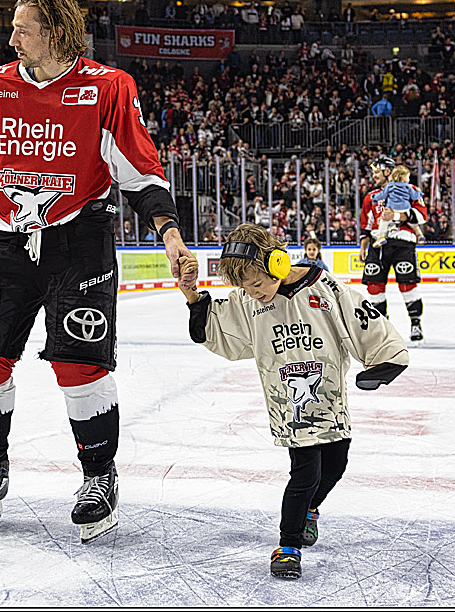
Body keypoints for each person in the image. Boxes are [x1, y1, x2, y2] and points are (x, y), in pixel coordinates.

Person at [0, 0, 197, 543]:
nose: (10, 37)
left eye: (23, 27)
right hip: (5, 240)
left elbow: (138, 167)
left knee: (79, 364)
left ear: (56, 33)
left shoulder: (109, 87)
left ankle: (99, 477)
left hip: (78, 242)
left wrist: (170, 234)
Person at [177, 224, 409, 579]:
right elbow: (220, 330)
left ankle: (310, 511)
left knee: (336, 465)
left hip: (330, 399)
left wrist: (385, 357)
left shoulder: (325, 288)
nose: (253, 294)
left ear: (279, 262)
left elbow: (362, 319)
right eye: (245, 288)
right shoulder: (248, 301)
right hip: (290, 405)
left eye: (257, 284)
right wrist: (193, 295)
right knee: (305, 472)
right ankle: (288, 546)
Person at [359, 155, 429, 342]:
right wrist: (362, 246)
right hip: (377, 244)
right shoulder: (371, 197)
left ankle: (415, 323)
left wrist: (397, 216)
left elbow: (422, 216)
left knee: (407, 284)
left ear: (387, 171)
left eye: (376, 172)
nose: (373, 176)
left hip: (402, 242)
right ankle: (382, 324)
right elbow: (367, 224)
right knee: (374, 285)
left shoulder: (411, 189)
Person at [371, 165, 425, 247]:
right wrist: (419, 193)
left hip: (393, 208)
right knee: (413, 223)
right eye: (408, 177)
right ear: (403, 177)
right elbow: (414, 196)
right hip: (405, 208)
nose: (409, 179)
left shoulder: (390, 186)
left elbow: (382, 195)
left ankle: (381, 237)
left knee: (384, 221)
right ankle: (420, 235)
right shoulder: (408, 186)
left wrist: (374, 198)